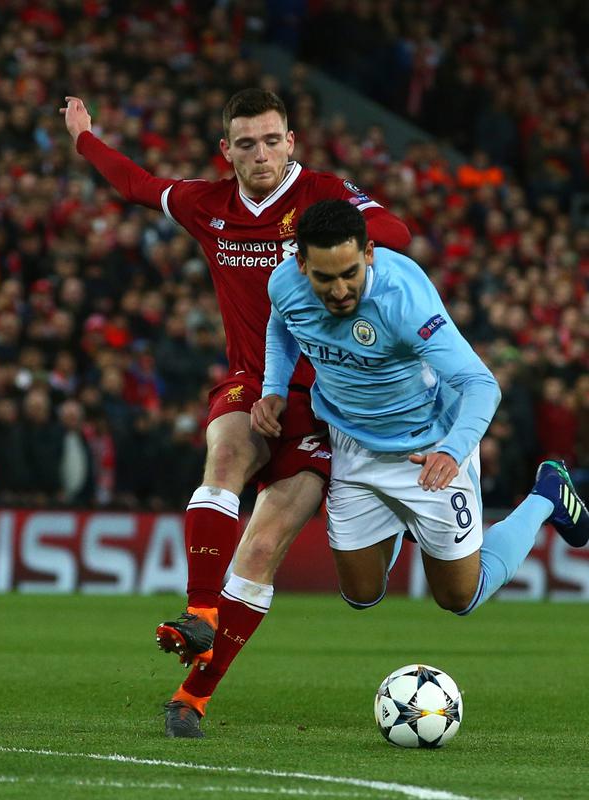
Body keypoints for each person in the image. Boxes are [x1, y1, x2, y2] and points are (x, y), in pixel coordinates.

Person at [60, 89, 411, 738]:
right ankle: (200, 611)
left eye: (272, 140)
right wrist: (84, 138)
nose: (261, 154)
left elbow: (396, 233)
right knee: (224, 455)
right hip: (253, 382)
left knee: (265, 545)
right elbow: (137, 185)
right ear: (227, 150)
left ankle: (191, 698)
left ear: (291, 142)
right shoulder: (208, 205)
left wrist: (326, 243)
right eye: (246, 144)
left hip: (327, 406)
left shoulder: (323, 195)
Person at [252, 199, 589, 618]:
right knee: (361, 594)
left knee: (459, 598)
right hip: (352, 443)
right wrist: (274, 388)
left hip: (428, 448)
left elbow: (481, 384)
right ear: (301, 264)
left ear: (368, 253)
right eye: (325, 278)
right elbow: (282, 324)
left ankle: (547, 495)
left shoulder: (404, 300)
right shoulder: (284, 284)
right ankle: (403, 519)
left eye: (349, 274)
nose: (339, 291)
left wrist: (452, 451)